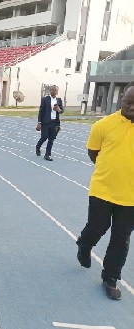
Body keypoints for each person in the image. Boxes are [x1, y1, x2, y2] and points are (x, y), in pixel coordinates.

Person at [76, 81, 134, 301]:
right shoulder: (104, 125)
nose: (132, 107)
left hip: (131, 197)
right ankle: (84, 244)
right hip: (102, 189)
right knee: (98, 227)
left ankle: (111, 278)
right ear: (122, 100)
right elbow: (94, 153)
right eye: (129, 102)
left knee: (121, 238)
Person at [35, 85, 64, 161]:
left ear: (57, 91)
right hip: (46, 122)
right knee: (44, 137)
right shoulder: (45, 99)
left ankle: (47, 154)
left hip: (54, 123)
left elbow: (62, 111)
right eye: (51, 90)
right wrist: (39, 122)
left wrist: (58, 110)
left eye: (54, 90)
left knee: (51, 139)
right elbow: (41, 111)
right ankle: (38, 146)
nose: (52, 91)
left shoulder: (59, 100)